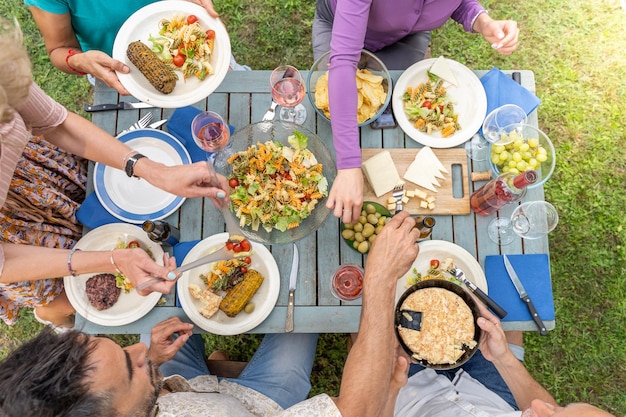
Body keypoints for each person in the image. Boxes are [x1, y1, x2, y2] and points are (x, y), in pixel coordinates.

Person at [0, 212, 616, 417]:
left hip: (204, 390)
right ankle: (230, 363)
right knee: (310, 324)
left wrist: (154, 366)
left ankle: (219, 362)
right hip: (264, 403)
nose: (539, 408)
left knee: (299, 314)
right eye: (131, 369)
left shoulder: (146, 377)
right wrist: (376, 287)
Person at [0, 17, 229, 330]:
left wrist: (152, 169)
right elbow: (4, 262)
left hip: (40, 173)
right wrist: (111, 260)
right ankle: (53, 316)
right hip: (13, 235)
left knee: (93, 205)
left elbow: (53, 123)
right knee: (66, 299)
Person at [312, 0, 519, 225]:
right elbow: (342, 63)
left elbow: (458, 4)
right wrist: (349, 165)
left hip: (406, 39)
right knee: (329, 105)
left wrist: (482, 21)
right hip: (337, 27)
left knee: (386, 108)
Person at [25, 0, 248, 95]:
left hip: (192, 47)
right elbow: (59, 49)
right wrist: (80, 61)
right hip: (119, 75)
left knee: (241, 99)